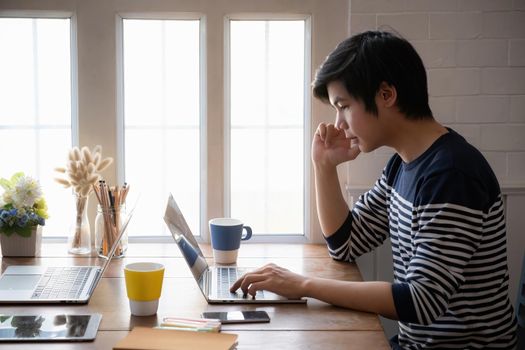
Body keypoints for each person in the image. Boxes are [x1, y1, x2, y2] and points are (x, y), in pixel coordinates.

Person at [230, 31, 518, 349]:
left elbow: (421, 301)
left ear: (385, 94)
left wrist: (304, 285)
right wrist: (324, 167)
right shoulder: (401, 166)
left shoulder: (451, 175)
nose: (338, 123)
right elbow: (346, 244)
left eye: (343, 106)